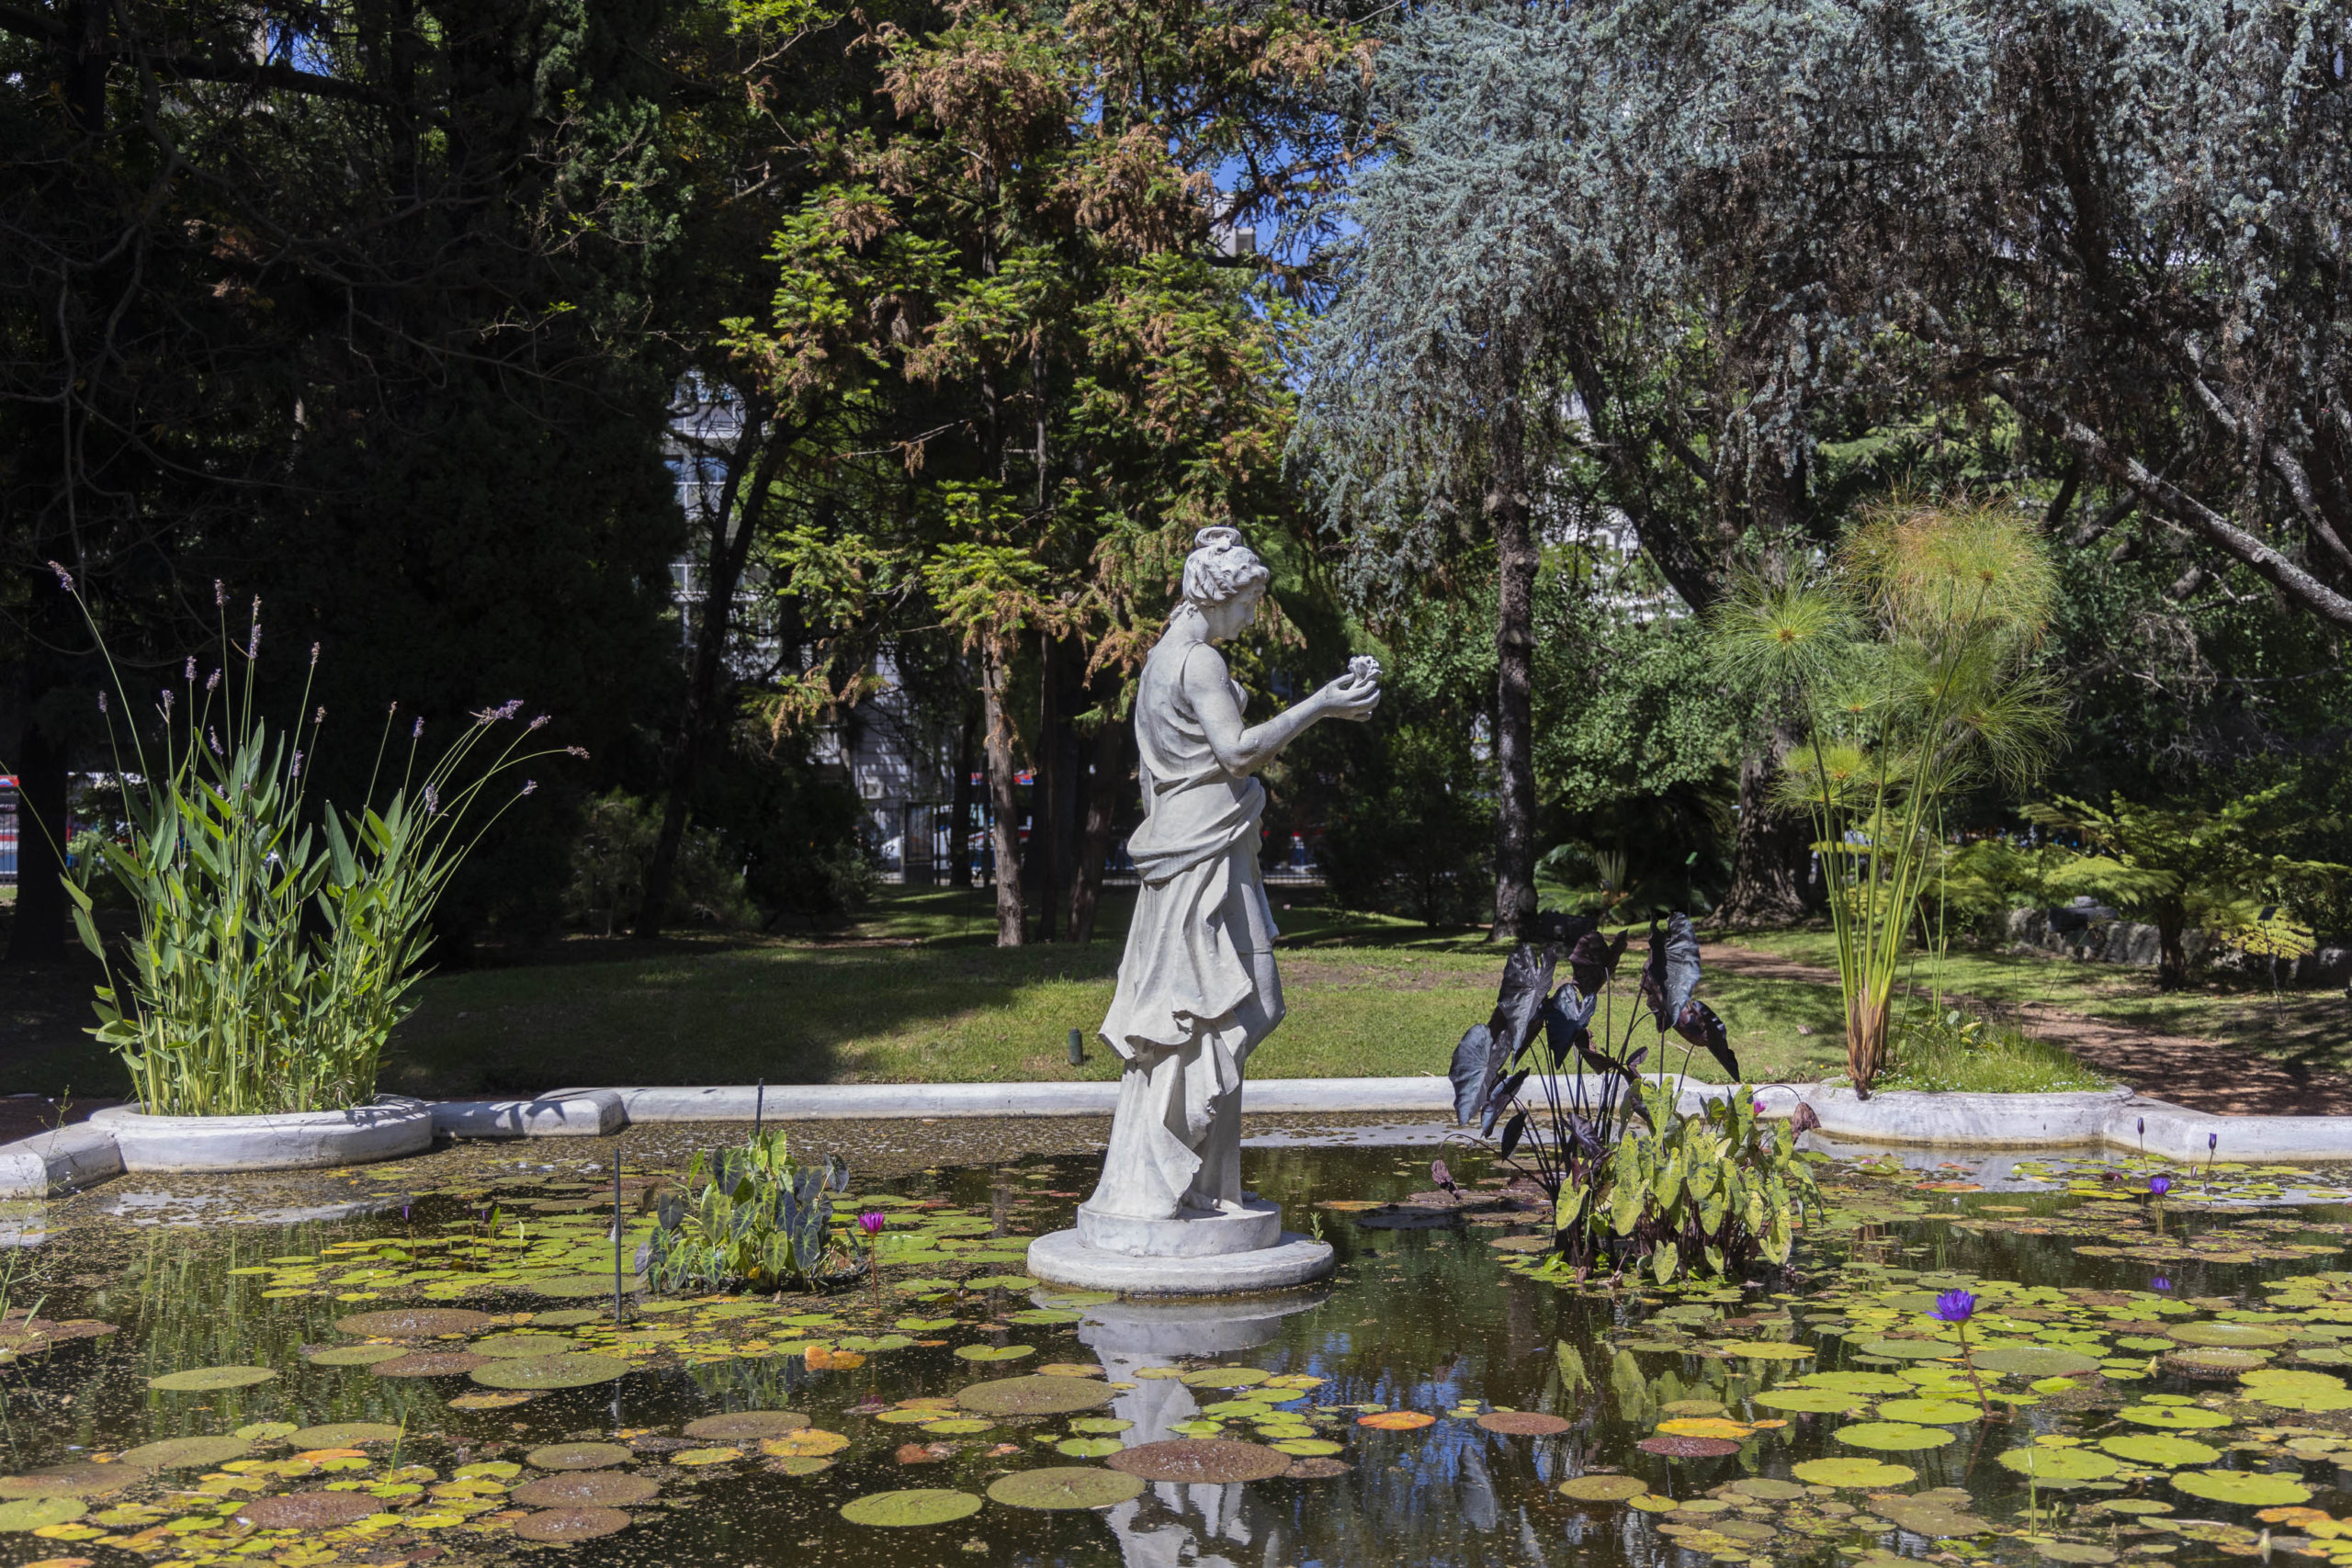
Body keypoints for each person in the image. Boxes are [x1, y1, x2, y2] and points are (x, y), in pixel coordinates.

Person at [1088, 527, 1380, 1223]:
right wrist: (1322, 705)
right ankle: (1184, 1172)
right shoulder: (1197, 663)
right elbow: (1238, 751)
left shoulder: (1167, 657)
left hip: (1206, 844)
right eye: (1249, 600)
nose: (1253, 613)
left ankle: (1213, 1182)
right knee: (1231, 1009)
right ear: (1218, 594)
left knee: (1220, 1014)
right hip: (1203, 853)